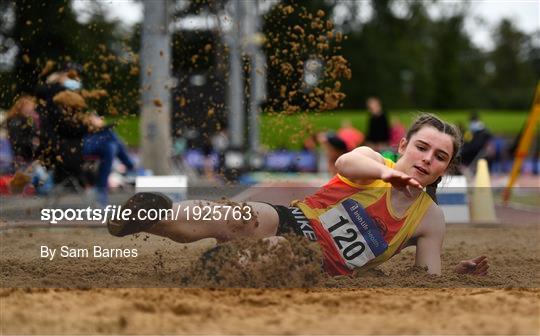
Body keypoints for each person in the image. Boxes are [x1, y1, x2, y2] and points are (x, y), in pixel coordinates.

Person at [107, 113, 488, 276]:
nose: (427, 159)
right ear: (403, 144)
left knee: (276, 252)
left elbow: (425, 276)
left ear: (446, 168)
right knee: (233, 215)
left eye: (440, 156)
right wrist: (389, 176)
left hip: (318, 263)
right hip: (292, 218)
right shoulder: (374, 160)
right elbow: (346, 165)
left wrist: (456, 273)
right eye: (421, 147)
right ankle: (155, 216)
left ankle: (221, 267)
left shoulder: (430, 218)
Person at [35, 63, 135, 206]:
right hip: (66, 148)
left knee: (110, 147)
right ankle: (128, 168)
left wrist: (89, 122)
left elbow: (70, 125)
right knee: (109, 135)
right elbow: (67, 128)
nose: (77, 80)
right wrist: (89, 124)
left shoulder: (61, 95)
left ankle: (102, 191)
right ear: (63, 76)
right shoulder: (57, 97)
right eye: (74, 76)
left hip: (72, 143)